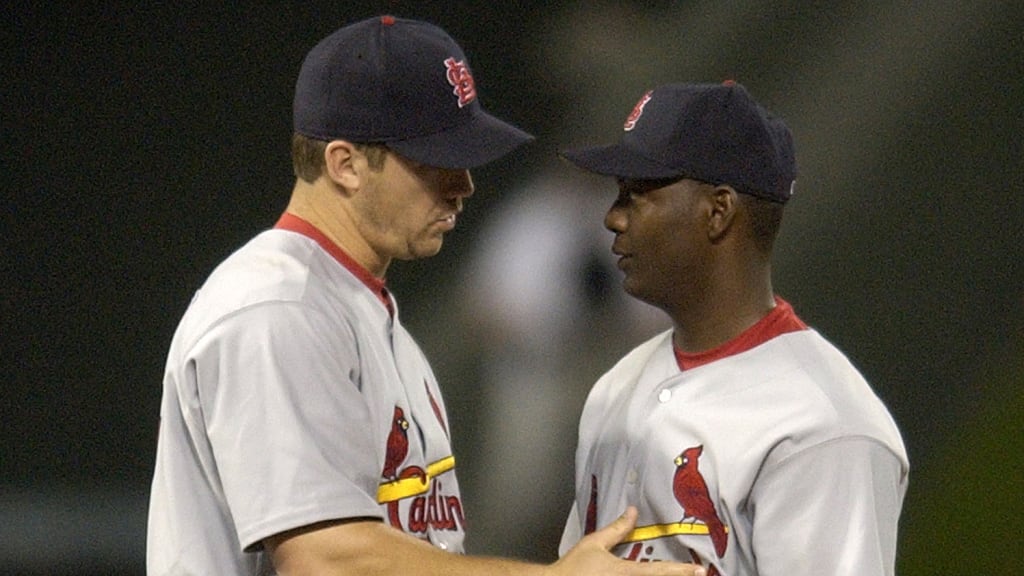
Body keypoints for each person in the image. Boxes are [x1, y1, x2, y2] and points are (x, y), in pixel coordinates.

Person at [146, 15, 705, 576]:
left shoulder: (363, 315)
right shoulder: (276, 311)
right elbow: (325, 559)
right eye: (434, 162)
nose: (462, 184)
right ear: (345, 164)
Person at [556, 81, 909, 575]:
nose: (613, 218)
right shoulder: (616, 388)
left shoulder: (824, 427)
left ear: (717, 211)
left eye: (636, 194)